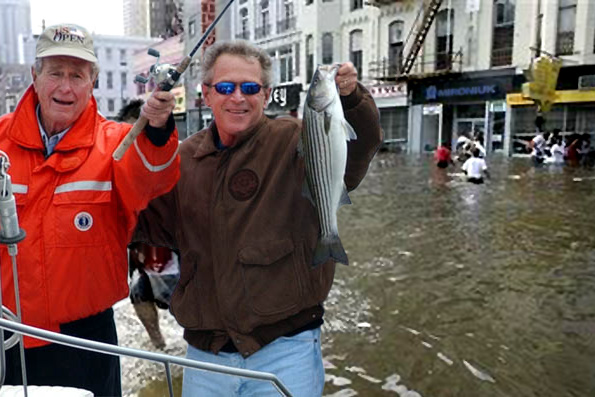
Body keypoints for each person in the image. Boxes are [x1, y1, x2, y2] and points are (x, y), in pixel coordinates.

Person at [133, 40, 383, 396]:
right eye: (226, 87)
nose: (238, 97)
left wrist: (353, 100)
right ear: (206, 93)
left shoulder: (296, 139)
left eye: (250, 88)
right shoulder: (181, 159)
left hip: (286, 350)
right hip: (207, 357)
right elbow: (140, 218)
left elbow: (358, 149)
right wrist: (150, 142)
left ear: (266, 95)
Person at [0, 23, 180, 395]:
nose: (66, 87)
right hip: (5, 333)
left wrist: (159, 130)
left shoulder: (118, 143)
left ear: (93, 81)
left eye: (77, 75)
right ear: (35, 76)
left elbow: (152, 178)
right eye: (56, 73)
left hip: (84, 342)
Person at [117, 99, 180, 350]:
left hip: (178, 246)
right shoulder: (118, 163)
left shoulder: (171, 160)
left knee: (185, 303)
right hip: (144, 247)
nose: (133, 143)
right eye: (127, 135)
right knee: (139, 292)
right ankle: (160, 347)